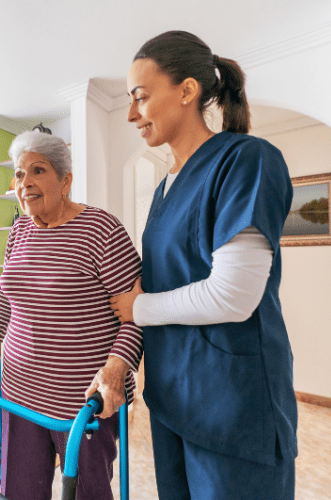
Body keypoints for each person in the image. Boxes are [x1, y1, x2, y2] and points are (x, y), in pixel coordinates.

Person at [110, 30, 298, 500]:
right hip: (173, 399)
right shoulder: (163, 189)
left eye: (140, 97)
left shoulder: (246, 160)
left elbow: (232, 295)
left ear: (187, 91)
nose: (132, 114)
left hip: (233, 407)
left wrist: (139, 308)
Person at [0, 130, 143, 500]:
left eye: (37, 170)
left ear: (66, 180)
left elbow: (136, 316)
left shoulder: (102, 230)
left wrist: (117, 368)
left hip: (82, 401)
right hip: (17, 391)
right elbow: (7, 295)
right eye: (19, 174)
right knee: (21, 489)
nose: (24, 182)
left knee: (88, 491)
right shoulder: (20, 229)